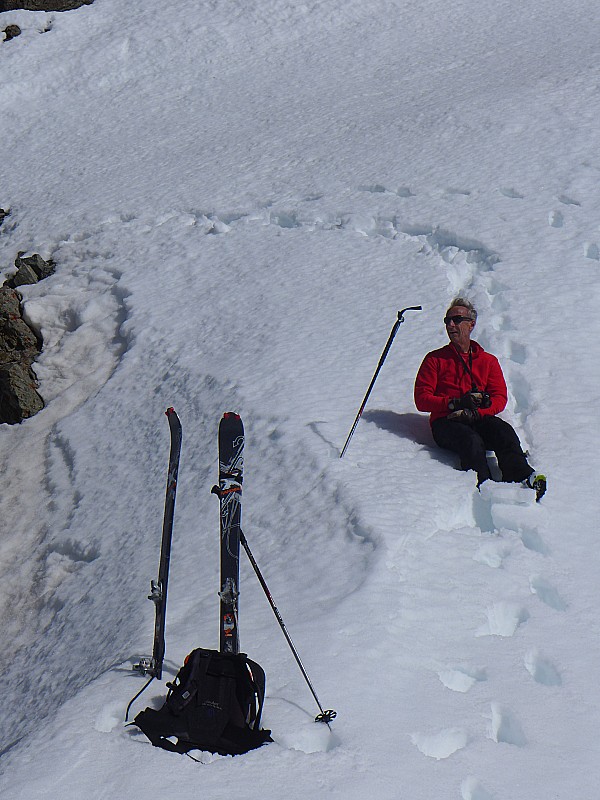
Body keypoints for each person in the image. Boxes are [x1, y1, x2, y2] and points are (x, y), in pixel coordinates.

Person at [414, 298, 546, 500]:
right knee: (471, 441)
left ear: (471, 324)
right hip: (446, 422)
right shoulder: (434, 359)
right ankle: (484, 488)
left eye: (456, 320)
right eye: (447, 321)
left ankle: (522, 477)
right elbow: (422, 399)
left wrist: (476, 412)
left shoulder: (488, 361)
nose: (450, 325)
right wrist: (454, 403)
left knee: (503, 431)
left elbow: (499, 397)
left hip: (478, 418)